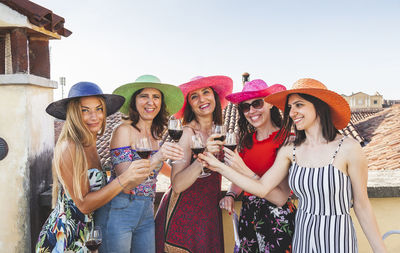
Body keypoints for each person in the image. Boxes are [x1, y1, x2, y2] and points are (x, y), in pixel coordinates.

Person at [199, 78, 387, 253]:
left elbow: (362, 206)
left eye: (299, 105)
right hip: (302, 236)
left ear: (319, 106)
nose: (291, 112)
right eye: (290, 107)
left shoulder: (349, 148)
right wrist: (218, 166)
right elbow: (262, 188)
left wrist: (380, 250)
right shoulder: (291, 149)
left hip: (337, 236)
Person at [36, 82, 152, 253]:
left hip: (87, 236)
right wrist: (124, 178)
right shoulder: (70, 146)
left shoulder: (89, 142)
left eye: (98, 109)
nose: (94, 116)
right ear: (74, 114)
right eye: (85, 110)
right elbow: (83, 204)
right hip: (66, 239)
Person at [96, 75, 185, 253]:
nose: (150, 102)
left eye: (156, 97)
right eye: (144, 96)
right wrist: (158, 156)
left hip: (146, 210)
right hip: (120, 208)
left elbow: (158, 168)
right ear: (134, 101)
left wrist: (182, 174)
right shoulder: (123, 131)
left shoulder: (155, 133)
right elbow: (126, 180)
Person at [212, 79, 296, 253]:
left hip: (277, 216)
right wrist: (231, 194)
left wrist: (242, 170)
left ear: (270, 104)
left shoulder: (287, 140)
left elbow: (281, 195)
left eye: (257, 104)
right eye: (245, 107)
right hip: (249, 214)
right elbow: (239, 178)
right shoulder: (246, 141)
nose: (251, 111)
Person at [155, 75, 233, 253]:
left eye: (206, 92)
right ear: (189, 104)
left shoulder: (220, 131)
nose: (202, 99)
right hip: (182, 219)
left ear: (214, 96)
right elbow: (177, 184)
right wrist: (204, 158)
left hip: (208, 214)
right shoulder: (187, 134)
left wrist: (231, 194)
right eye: (194, 96)